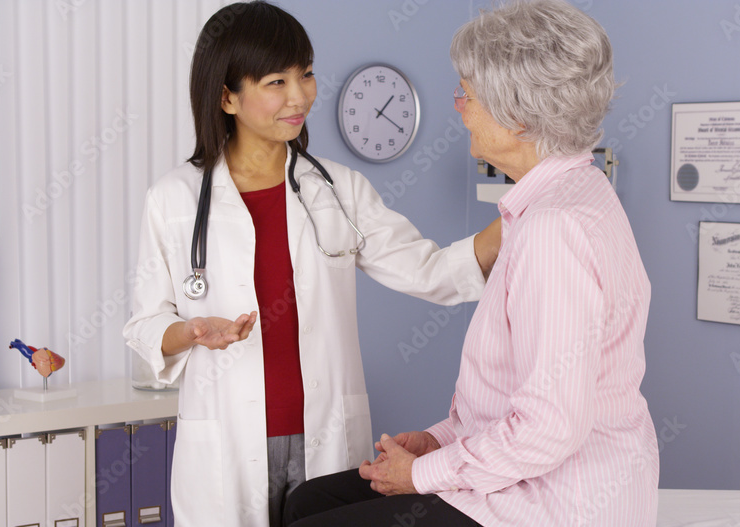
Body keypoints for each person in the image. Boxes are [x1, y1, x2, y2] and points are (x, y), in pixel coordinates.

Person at [122, 2, 500, 526]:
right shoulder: (174, 199)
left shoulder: (338, 189)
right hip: (226, 440)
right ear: (227, 96)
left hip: (325, 433)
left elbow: (429, 271)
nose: (299, 96)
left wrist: (520, 213)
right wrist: (190, 331)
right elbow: (145, 324)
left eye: (306, 74)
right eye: (276, 81)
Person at [283, 1, 660, 526]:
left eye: (468, 95)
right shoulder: (573, 192)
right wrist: (441, 439)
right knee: (308, 501)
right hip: (530, 477)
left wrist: (423, 473)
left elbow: (549, 428)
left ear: (518, 116)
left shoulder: (553, 229)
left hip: (553, 503)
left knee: (313, 520)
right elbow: (517, 395)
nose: (459, 109)